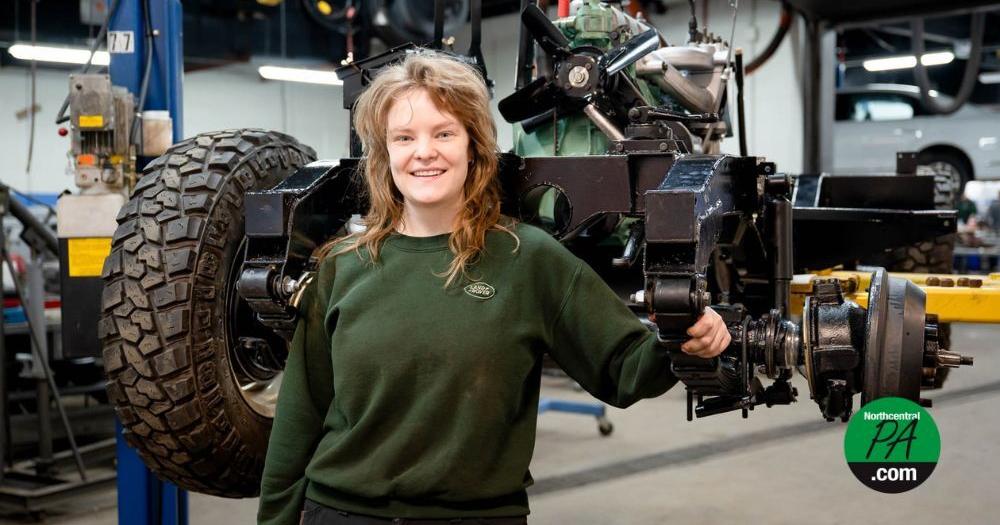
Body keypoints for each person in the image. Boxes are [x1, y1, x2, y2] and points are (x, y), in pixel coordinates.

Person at [257, 51, 731, 525]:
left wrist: (687, 337)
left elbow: (625, 367)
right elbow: (299, 417)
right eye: (404, 137)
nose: (424, 152)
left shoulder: (527, 259)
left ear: (472, 147)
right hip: (342, 513)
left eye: (444, 133)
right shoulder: (343, 267)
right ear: (384, 153)